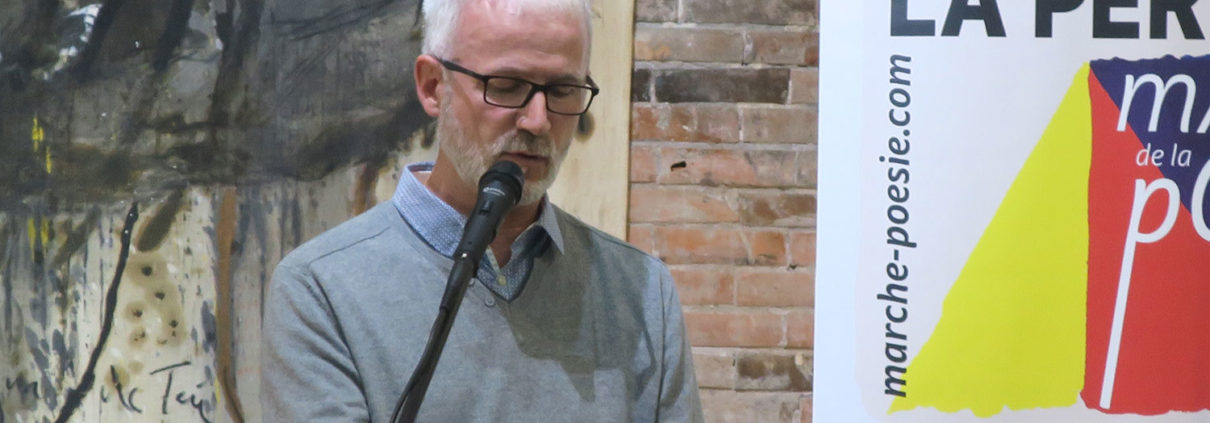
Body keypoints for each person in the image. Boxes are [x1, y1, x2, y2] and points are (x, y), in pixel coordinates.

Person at [259, 0, 704, 421]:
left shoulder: (641, 291)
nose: (538, 121)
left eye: (563, 90)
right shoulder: (321, 288)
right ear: (433, 87)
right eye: (506, 86)